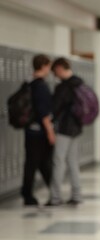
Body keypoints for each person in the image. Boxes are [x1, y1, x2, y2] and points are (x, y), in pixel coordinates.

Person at [47, 58, 85, 206]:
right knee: (72, 161)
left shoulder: (63, 87)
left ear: (60, 68)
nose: (54, 75)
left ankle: (55, 197)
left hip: (64, 128)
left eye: (55, 71)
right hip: (76, 128)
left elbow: (55, 108)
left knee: (58, 161)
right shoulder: (79, 83)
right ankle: (77, 194)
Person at [21, 54, 55, 207]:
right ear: (44, 66)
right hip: (39, 132)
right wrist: (50, 132)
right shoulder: (41, 86)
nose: (50, 69)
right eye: (49, 66)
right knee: (41, 163)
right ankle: (31, 194)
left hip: (30, 130)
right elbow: (44, 114)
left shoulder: (29, 84)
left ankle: (31, 193)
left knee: (35, 163)